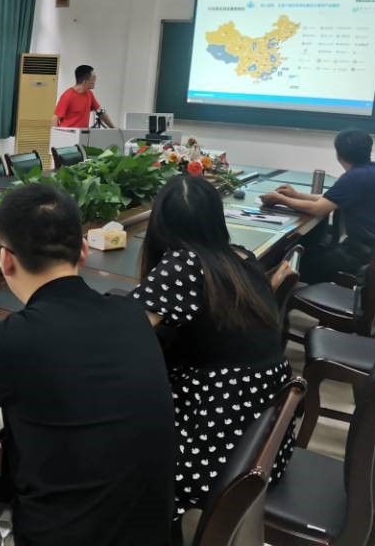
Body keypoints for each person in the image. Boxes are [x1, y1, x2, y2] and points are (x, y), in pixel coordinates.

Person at [0, 184, 176, 546]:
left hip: (57, 537)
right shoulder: (131, 314)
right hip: (149, 533)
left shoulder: (14, 338)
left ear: (5, 259)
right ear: (83, 249)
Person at [133, 175, 294, 523]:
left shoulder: (184, 264)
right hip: (263, 447)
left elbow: (121, 337)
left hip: (214, 455)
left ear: (159, 224)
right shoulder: (242, 258)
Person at [260, 129, 375, 284]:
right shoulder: (370, 171)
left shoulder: (356, 176)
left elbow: (319, 208)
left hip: (364, 258)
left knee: (289, 263)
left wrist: (281, 200)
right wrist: (295, 195)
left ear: (338, 154)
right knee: (310, 252)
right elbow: (328, 199)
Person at [51, 64, 115, 129]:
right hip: (67, 134)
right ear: (85, 82)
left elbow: (100, 112)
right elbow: (55, 119)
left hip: (81, 133)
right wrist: (57, 135)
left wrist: (114, 129)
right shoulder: (68, 96)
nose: (95, 80)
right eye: (93, 78)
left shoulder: (89, 94)